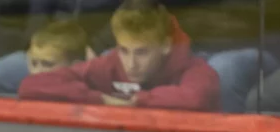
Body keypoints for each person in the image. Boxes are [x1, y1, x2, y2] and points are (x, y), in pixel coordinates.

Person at [18, 0, 219, 111]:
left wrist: (136, 101)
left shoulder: (197, 70)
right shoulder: (107, 65)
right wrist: (103, 99)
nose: (131, 63)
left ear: (165, 46)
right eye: (124, 50)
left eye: (142, 52)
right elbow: (32, 85)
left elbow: (194, 98)